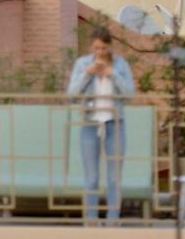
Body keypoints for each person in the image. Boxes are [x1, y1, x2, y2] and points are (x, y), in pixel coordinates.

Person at [67, 26, 136, 225]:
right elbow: (72, 94)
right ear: (91, 47)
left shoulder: (120, 65)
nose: (100, 52)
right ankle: (91, 219)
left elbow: (129, 94)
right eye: (96, 48)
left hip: (115, 123)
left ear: (110, 47)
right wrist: (87, 74)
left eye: (104, 48)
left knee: (114, 177)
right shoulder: (82, 64)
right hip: (90, 123)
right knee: (91, 177)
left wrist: (112, 74)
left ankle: (113, 220)